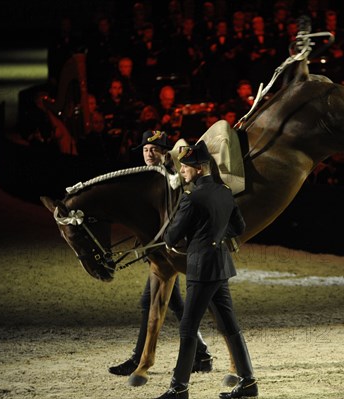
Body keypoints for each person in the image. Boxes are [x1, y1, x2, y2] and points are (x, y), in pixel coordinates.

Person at [156, 141, 258, 399]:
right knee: (229, 324)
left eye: (185, 168)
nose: (182, 172)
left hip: (202, 268)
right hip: (220, 264)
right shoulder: (225, 192)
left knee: (188, 328)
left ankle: (179, 389)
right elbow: (239, 227)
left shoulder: (192, 197)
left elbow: (171, 236)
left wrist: (189, 236)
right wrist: (214, 233)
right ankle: (248, 383)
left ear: (199, 169)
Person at [108, 131, 213, 377]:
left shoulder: (175, 173)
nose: (148, 154)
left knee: (151, 302)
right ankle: (202, 353)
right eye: (145, 149)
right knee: (173, 303)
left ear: (165, 152)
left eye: (154, 149)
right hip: (158, 249)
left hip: (171, 249)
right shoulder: (147, 175)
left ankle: (139, 358)